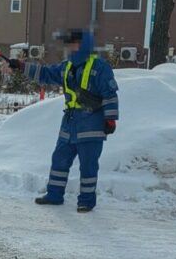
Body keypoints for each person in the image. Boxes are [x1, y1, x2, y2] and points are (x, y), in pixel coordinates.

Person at [8, 29, 119, 213]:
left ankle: (86, 201)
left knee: (88, 166)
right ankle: (54, 195)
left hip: (91, 124)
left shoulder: (99, 67)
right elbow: (45, 73)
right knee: (59, 160)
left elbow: (110, 94)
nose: (69, 47)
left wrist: (111, 119)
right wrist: (20, 65)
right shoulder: (67, 66)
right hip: (70, 123)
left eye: (73, 43)